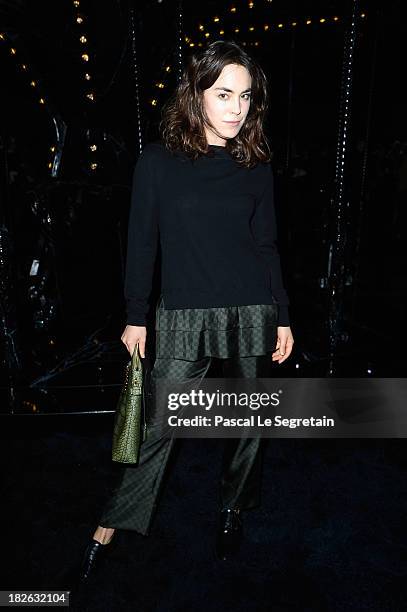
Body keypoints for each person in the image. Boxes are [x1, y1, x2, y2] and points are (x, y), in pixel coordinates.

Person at [79, 39, 294, 579]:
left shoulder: (255, 163)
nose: (237, 109)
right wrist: (135, 313)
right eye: (224, 94)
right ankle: (110, 524)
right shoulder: (157, 162)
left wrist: (284, 314)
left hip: (251, 309)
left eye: (246, 97)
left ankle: (232, 509)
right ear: (196, 95)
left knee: (248, 423)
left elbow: (266, 244)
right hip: (183, 313)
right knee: (159, 424)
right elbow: (142, 243)